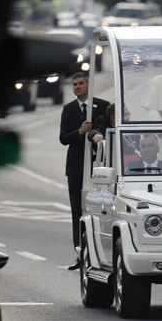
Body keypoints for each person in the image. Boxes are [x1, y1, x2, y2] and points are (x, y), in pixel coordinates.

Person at [59, 72, 110, 270]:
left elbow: (110, 129)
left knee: (100, 209)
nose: (77, 87)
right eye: (74, 84)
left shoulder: (102, 105)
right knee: (77, 210)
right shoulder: (69, 109)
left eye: (81, 83)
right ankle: (80, 252)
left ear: (88, 85)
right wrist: (79, 132)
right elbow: (63, 138)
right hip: (76, 167)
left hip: (99, 165)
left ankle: (100, 252)